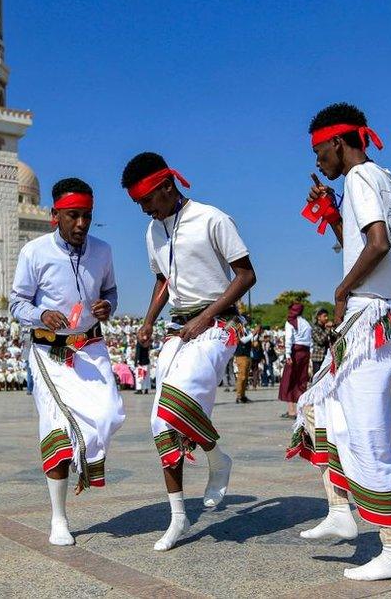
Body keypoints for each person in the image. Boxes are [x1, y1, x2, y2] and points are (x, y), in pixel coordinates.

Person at [289, 102, 391, 581]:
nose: (318, 161)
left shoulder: (361, 179)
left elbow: (379, 243)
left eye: (320, 152)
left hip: (373, 318)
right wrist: (336, 215)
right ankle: (341, 510)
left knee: (366, 428)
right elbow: (368, 246)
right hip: (378, 314)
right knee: (318, 405)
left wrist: (342, 291)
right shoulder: (383, 178)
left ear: (338, 143)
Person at [122, 152, 256, 551]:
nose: (144, 210)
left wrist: (206, 317)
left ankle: (217, 459)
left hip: (220, 324)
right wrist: (148, 319)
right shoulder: (153, 232)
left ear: (166, 186)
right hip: (180, 329)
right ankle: (179, 515)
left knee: (176, 402)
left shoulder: (212, 218)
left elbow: (247, 274)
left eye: (146, 201)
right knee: (159, 424)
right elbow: (163, 280)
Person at [10, 177, 124, 547]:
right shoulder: (34, 252)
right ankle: (59, 518)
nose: (81, 225)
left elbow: (110, 291)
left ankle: (82, 451)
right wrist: (42, 315)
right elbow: (17, 303)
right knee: (56, 426)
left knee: (108, 414)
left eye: (87, 216)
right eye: (73, 216)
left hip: (90, 348)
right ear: (54, 215)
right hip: (49, 352)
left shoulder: (103, 251)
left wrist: (108, 306)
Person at [279, 302, 312, 418]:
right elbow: (310, 341)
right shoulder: (307, 323)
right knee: (301, 380)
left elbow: (288, 339)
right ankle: (300, 409)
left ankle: (291, 410)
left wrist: (288, 355)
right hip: (305, 352)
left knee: (290, 380)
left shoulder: (290, 322)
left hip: (295, 352)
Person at [311, 309, 334, 383]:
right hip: (318, 357)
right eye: (324, 316)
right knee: (317, 378)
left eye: (327, 316)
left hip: (327, 356)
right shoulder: (314, 328)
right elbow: (320, 341)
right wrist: (328, 329)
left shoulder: (325, 327)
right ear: (319, 317)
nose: (327, 318)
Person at [233, 321, 253, 404]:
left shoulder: (246, 329)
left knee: (245, 377)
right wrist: (253, 333)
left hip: (247, 355)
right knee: (242, 376)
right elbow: (243, 340)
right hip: (241, 355)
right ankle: (239, 396)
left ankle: (243, 395)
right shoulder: (239, 328)